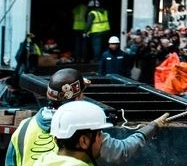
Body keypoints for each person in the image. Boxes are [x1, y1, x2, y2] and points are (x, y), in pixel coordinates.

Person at [5, 68, 166, 166]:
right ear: (77, 97)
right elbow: (121, 151)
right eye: (81, 93)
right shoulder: (84, 129)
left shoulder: (24, 128)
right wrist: (151, 127)